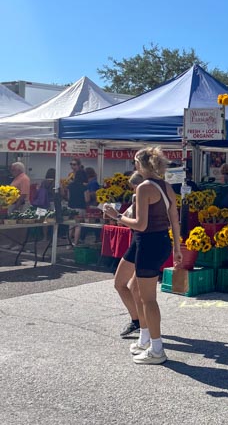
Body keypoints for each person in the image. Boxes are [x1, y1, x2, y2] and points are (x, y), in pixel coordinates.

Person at [103, 147, 182, 365]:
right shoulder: (166, 186)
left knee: (148, 299)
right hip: (154, 242)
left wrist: (117, 215)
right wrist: (177, 247)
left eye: (135, 162)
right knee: (130, 287)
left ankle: (157, 349)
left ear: (141, 164)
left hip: (148, 242)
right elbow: (174, 219)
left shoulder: (145, 188)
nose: (134, 165)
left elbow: (141, 224)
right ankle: (146, 338)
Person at [113, 172, 145, 338]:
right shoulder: (142, 198)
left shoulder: (143, 198)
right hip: (142, 243)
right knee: (134, 288)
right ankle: (140, 323)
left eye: (135, 188)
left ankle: (139, 322)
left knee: (123, 284)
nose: (134, 191)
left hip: (140, 243)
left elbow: (138, 223)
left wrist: (116, 215)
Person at [67, 168, 88, 246]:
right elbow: (87, 199)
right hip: (80, 207)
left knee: (71, 225)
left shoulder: (70, 185)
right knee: (78, 226)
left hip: (71, 207)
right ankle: (75, 243)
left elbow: (68, 197)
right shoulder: (84, 187)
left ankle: (69, 243)